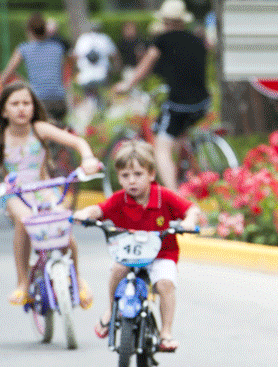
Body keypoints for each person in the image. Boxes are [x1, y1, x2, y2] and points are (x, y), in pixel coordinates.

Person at [0, 81, 99, 308]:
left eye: (26, 103)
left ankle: (77, 279)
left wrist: (87, 158)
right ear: (3, 110)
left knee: (62, 222)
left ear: (33, 107)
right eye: (15, 104)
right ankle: (22, 282)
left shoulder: (40, 129)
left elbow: (77, 142)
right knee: (24, 221)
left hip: (44, 190)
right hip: (15, 194)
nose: (21, 108)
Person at [72, 140, 202, 353]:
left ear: (151, 174)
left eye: (138, 174)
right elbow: (100, 209)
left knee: (165, 284)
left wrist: (189, 221)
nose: (132, 181)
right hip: (129, 255)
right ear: (119, 177)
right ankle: (111, 310)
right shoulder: (119, 199)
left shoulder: (163, 196)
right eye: (125, 176)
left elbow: (191, 209)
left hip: (162, 254)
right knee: (116, 270)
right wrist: (85, 213)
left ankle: (166, 333)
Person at [114, 0, 210, 191]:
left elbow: (145, 67)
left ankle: (175, 197)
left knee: (161, 148)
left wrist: (126, 85)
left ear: (164, 21)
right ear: (183, 21)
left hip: (180, 103)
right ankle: (185, 175)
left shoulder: (162, 40)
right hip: (203, 102)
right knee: (177, 133)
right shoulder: (197, 40)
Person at [0, 12, 70, 123]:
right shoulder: (58, 48)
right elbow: (61, 76)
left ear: (29, 31)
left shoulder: (24, 49)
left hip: (39, 101)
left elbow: (6, 75)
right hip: (59, 100)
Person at [73, 20, 119, 107]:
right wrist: (116, 68)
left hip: (85, 76)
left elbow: (75, 56)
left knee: (89, 98)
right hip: (102, 74)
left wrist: (75, 70)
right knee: (103, 97)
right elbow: (114, 54)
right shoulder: (105, 38)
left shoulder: (83, 38)